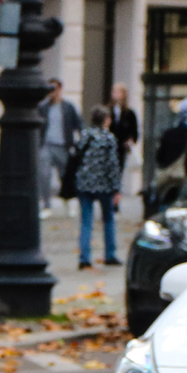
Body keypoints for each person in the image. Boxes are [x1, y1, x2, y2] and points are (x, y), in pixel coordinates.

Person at [72, 106, 123, 268]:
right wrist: (116, 188)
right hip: (104, 185)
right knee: (108, 219)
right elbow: (112, 165)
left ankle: (84, 258)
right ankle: (110, 254)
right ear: (106, 119)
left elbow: (76, 156)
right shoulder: (109, 138)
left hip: (84, 183)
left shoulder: (85, 135)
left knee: (86, 221)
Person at [39, 81, 83, 216]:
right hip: (46, 145)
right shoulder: (43, 107)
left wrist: (83, 141)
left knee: (65, 176)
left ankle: (68, 200)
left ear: (60, 90)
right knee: (44, 174)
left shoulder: (68, 107)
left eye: (55, 89)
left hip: (63, 146)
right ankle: (47, 204)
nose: (53, 92)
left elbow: (78, 124)